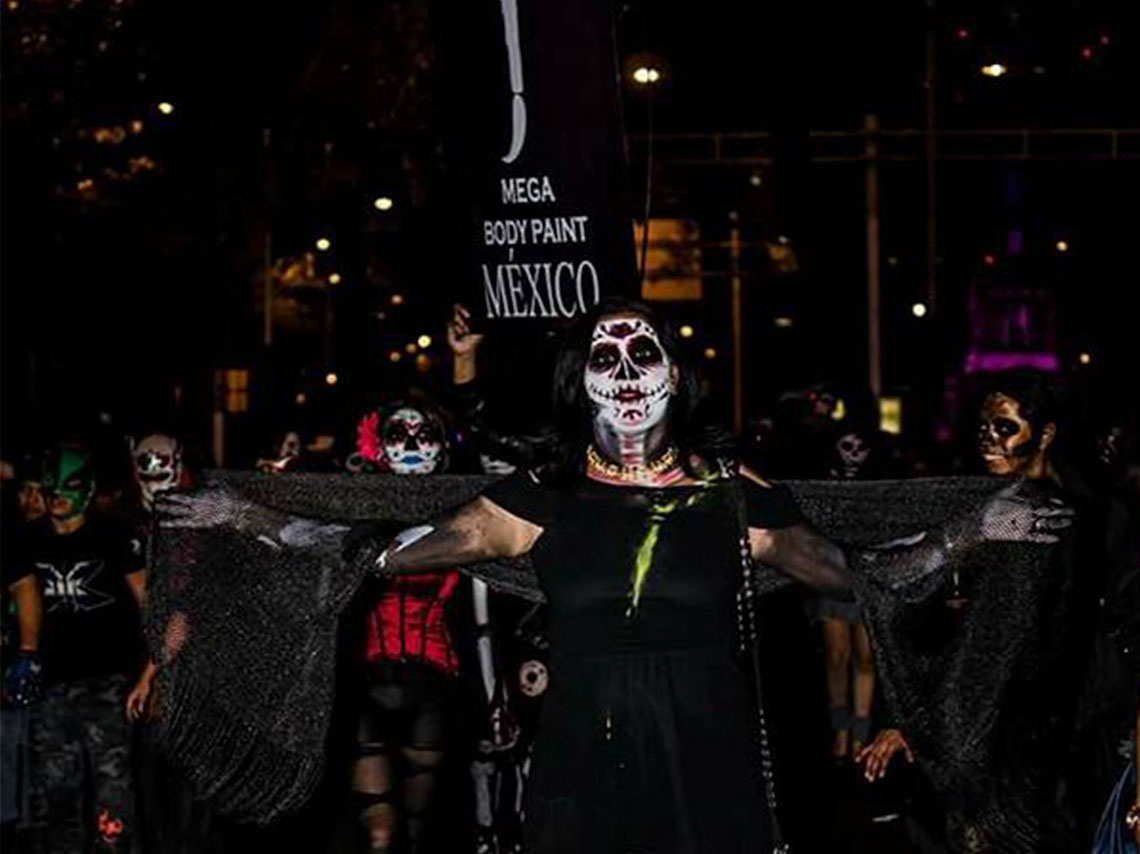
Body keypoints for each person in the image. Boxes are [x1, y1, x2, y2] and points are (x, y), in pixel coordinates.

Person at [160, 300, 1071, 853]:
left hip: (709, 774)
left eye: (646, 356)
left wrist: (973, 530)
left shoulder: (726, 496)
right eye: (606, 357)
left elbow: (870, 574)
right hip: (582, 774)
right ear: (579, 383)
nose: (628, 372)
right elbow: (371, 551)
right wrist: (251, 516)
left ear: (675, 376)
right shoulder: (537, 500)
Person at [857, 369, 1092, 852]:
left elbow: (1000, 649)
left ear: (1045, 434)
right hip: (993, 740)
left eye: (1005, 427)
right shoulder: (999, 506)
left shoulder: (1033, 521)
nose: (989, 438)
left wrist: (922, 727)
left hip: (1004, 752)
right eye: (984, 426)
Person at [18, 443, 151, 853]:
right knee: (57, 799)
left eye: (67, 486)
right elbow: (21, 597)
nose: (56, 494)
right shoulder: (29, 539)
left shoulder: (112, 535)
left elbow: (152, 606)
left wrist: (151, 675)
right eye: (51, 485)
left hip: (107, 685)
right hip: (52, 685)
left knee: (112, 799)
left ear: (87, 490)